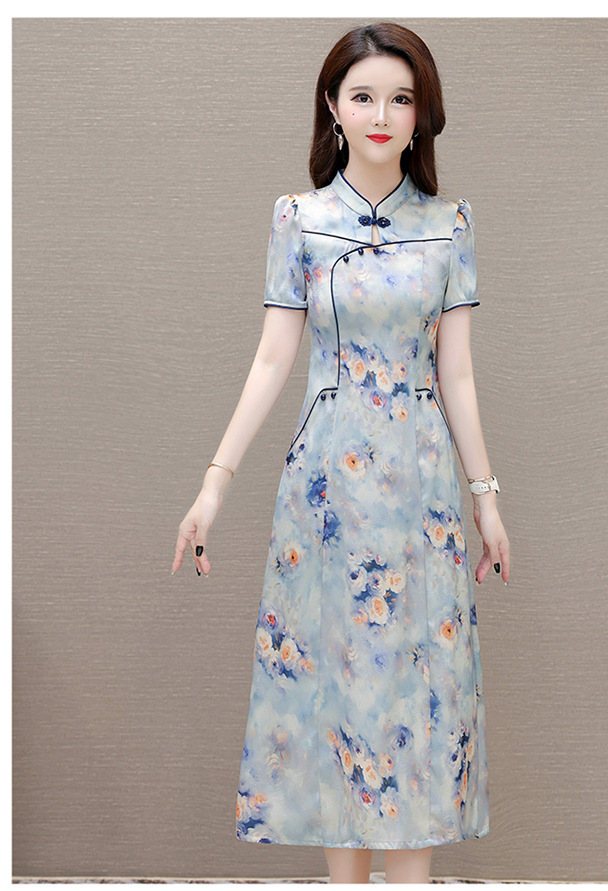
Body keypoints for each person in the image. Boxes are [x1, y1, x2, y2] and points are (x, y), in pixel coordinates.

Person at [172, 21, 510, 885]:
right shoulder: (301, 218)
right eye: (364, 96)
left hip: (422, 487)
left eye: (401, 98)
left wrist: (486, 498)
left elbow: (458, 374)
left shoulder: (450, 225)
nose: (382, 115)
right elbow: (272, 359)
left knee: (416, 688)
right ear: (333, 106)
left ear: (422, 114)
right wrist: (213, 485)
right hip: (326, 487)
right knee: (336, 685)